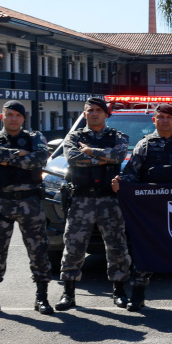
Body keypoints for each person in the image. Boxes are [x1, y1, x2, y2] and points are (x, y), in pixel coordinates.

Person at [113, 103, 172, 311]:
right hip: (151, 209)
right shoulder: (144, 145)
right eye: (161, 117)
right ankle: (138, 294)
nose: (165, 121)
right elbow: (131, 174)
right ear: (154, 120)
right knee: (147, 249)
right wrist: (121, 183)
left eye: (169, 117)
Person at [0, 100, 52, 316]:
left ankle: (42, 297)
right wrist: (20, 154)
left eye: (18, 115)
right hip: (1, 203)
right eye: (9, 114)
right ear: (2, 117)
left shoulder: (35, 137)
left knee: (38, 249)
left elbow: (40, 159)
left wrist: (5, 158)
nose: (13, 119)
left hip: (30, 202)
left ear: (24, 118)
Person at [54, 98, 132, 311]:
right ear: (85, 114)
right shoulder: (74, 136)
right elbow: (73, 159)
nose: (94, 113)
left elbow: (118, 156)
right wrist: (103, 156)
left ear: (106, 114)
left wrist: (89, 151)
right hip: (82, 199)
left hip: (109, 199)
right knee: (73, 246)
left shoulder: (117, 136)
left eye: (99, 110)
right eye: (90, 110)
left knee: (117, 246)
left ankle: (119, 290)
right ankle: (68, 293)